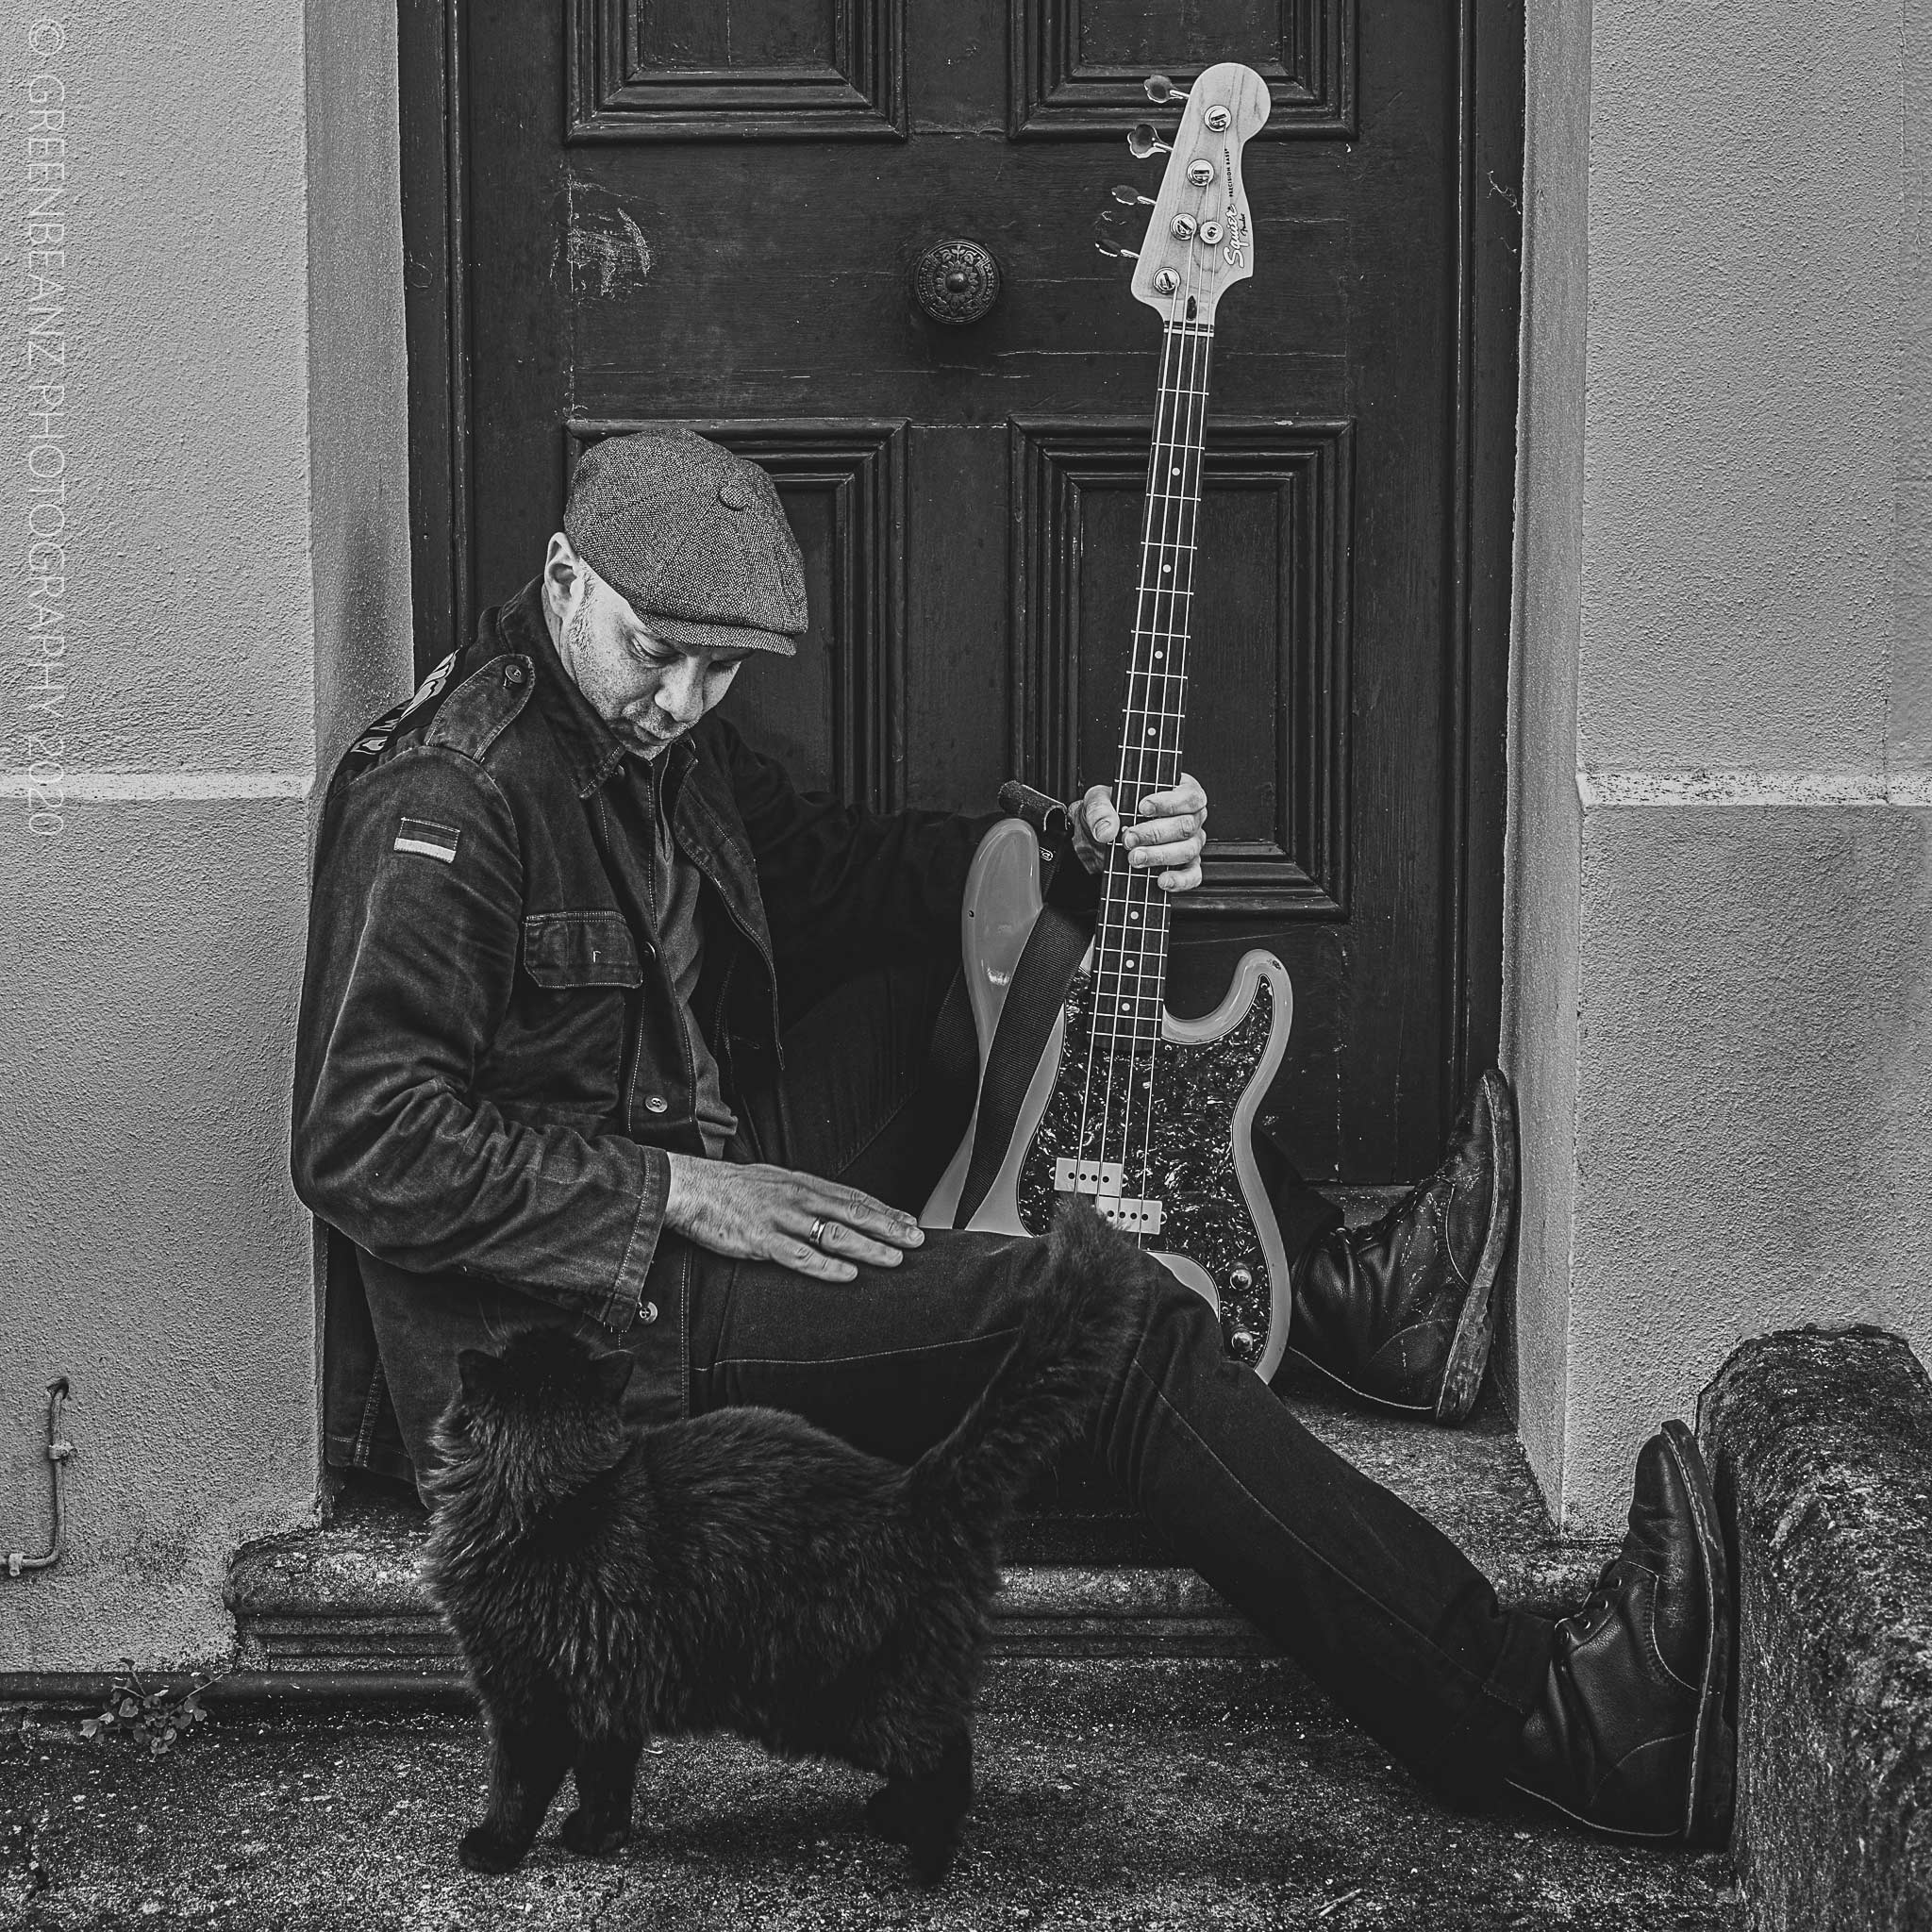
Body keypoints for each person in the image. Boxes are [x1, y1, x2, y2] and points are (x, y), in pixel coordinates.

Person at [291, 428, 1734, 1844]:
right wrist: (680, 1193)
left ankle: (1340, 1294)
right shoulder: (452, 797)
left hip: (686, 1174)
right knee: (1111, 1335)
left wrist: (1074, 848)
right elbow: (364, 1140)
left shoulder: (656, 746)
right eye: (653, 649)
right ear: (561, 579)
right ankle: (1555, 1726)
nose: (680, 695)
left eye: (717, 667)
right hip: (596, 1337)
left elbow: (856, 877)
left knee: (995, 945)